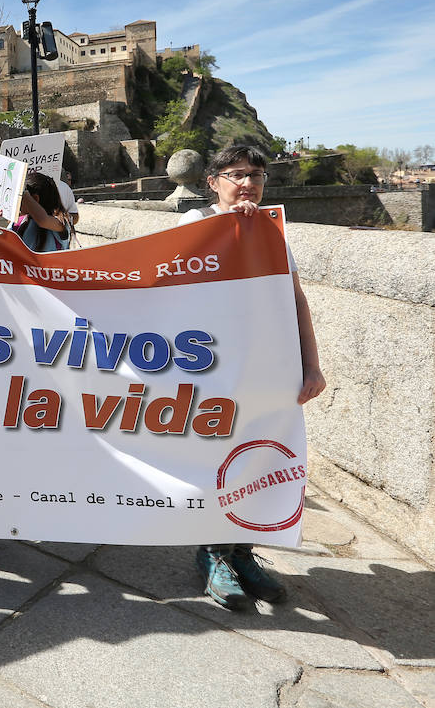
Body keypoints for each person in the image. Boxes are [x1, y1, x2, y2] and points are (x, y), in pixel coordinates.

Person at [179, 145, 326, 611]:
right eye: (237, 174)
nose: (248, 183)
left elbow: (295, 298)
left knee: (257, 461)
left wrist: (312, 363)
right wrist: (232, 226)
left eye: (257, 175)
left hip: (266, 366)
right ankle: (211, 553)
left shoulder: (271, 230)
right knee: (214, 457)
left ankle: (240, 551)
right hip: (212, 366)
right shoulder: (194, 223)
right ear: (213, 181)